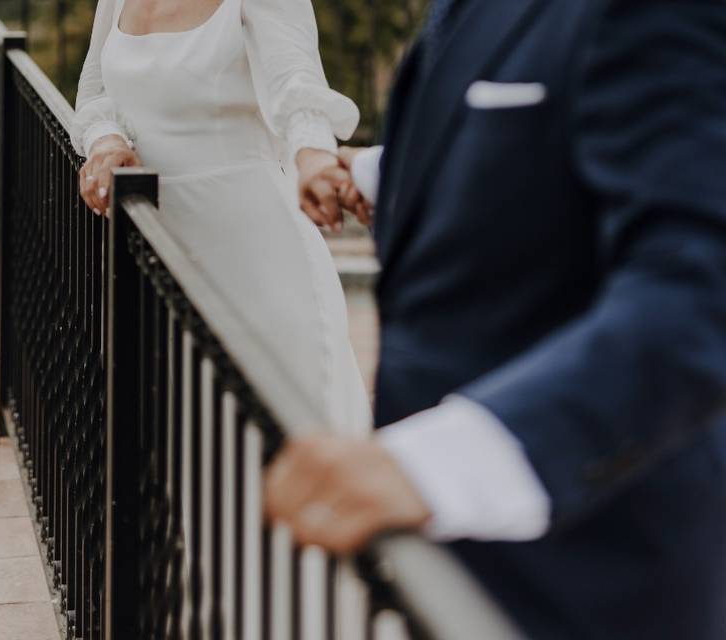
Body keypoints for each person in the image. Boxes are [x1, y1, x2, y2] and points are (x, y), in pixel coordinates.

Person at [265, 1, 726, 638]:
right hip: (451, 567)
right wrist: (383, 174)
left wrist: (432, 468)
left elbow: (694, 297)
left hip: (590, 571)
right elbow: (530, 124)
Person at [70, 0, 372, 431]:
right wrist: (105, 142)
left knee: (284, 439)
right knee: (189, 443)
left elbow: (296, 82)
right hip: (159, 249)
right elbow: (96, 91)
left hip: (257, 259)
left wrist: (315, 158)